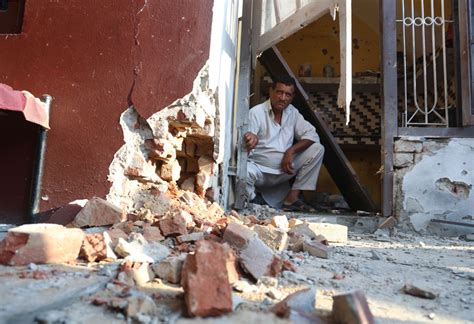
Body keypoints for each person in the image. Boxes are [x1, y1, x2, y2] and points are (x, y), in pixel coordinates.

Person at [244, 75, 324, 211]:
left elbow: (312, 135)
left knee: (317, 149)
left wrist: (291, 151)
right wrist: (252, 137)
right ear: (271, 91)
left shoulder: (293, 113)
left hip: (284, 170)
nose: (283, 98)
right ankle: (253, 201)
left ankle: (292, 198)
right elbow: (250, 136)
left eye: (288, 94)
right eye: (279, 92)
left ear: (292, 97)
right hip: (260, 172)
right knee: (244, 171)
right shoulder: (256, 112)